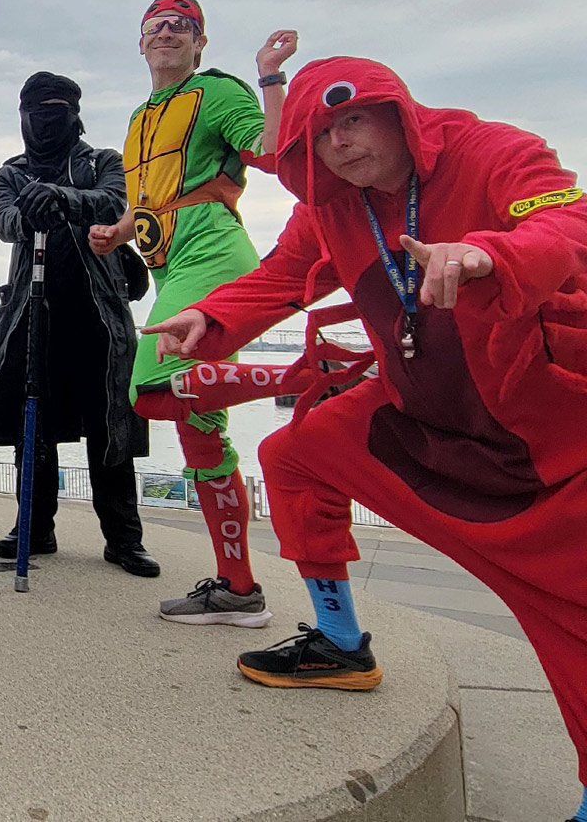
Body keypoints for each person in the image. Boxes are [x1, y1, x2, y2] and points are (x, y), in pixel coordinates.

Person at [142, 55, 587, 819]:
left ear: (399, 113)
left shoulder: (491, 151)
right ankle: (341, 644)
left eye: (353, 120)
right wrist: (211, 320)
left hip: (542, 438)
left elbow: (571, 221)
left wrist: (491, 253)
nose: (340, 144)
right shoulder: (330, 204)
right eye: (320, 135)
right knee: (294, 456)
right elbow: (281, 277)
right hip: (422, 410)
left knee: (569, 621)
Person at [87, 0, 296, 626]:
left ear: (200, 43)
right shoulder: (139, 115)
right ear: (141, 41)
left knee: (151, 388)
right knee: (199, 430)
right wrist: (120, 230)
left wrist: (270, 77)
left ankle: (310, 376)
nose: (170, 32)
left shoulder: (219, 93)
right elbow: (153, 194)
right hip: (169, 264)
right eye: (158, 25)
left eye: (184, 26)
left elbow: (272, 152)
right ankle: (238, 589)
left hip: (213, 257)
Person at [0, 72, 156, 577]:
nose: (46, 121)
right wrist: (30, 212)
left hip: (98, 318)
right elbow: (3, 222)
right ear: (23, 116)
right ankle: (34, 527)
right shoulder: (10, 173)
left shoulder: (103, 161)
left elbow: (115, 201)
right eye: (37, 111)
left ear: (75, 113)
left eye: (57, 110)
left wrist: (64, 198)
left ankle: (123, 538)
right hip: (32, 318)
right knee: (34, 431)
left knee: (107, 426)